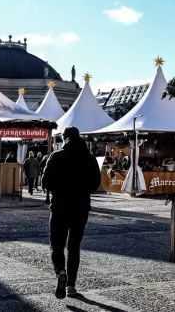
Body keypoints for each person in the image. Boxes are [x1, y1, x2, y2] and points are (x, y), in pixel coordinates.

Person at [41, 126, 101, 299]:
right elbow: (95, 183)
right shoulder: (88, 158)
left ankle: (60, 271)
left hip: (59, 206)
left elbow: (45, 181)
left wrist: (58, 190)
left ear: (64, 139)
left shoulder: (56, 156)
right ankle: (71, 286)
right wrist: (81, 191)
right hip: (81, 207)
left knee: (57, 245)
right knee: (74, 247)